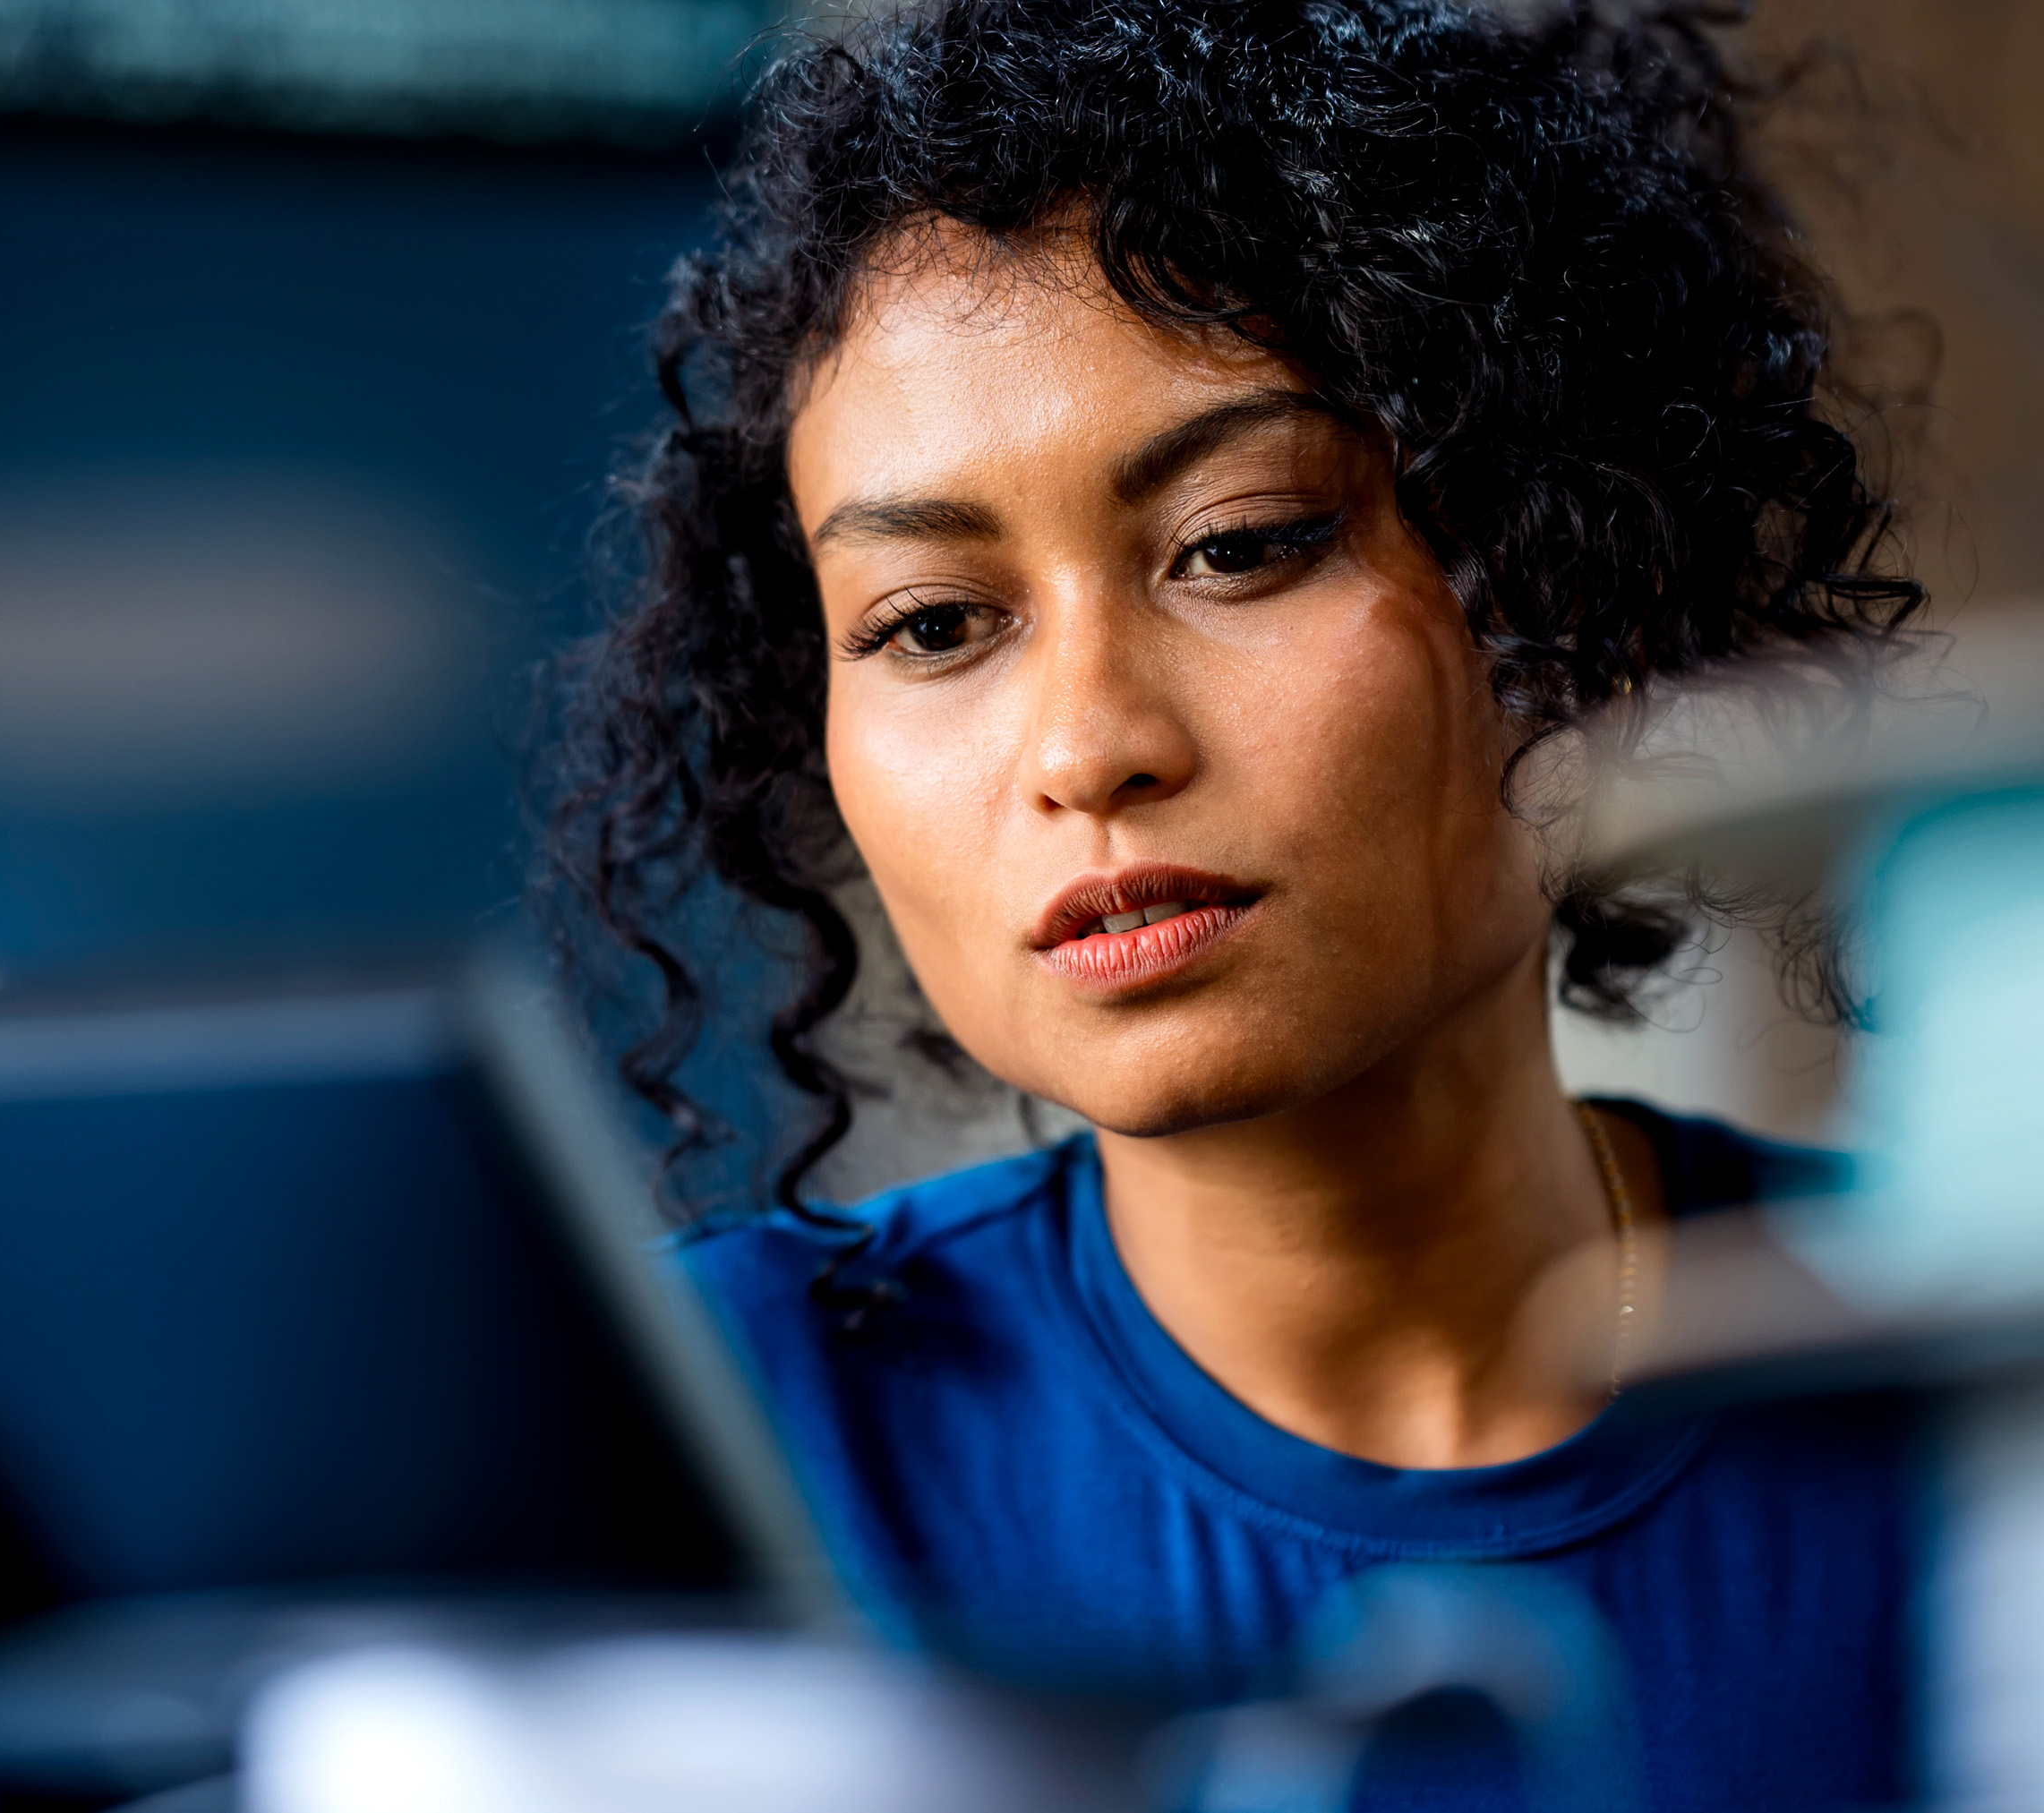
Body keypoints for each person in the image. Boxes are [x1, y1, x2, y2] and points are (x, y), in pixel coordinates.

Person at [546, 2, 1925, 1806]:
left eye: (1240, 543)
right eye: (934, 623)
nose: (1088, 746)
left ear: (1570, 577)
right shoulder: (657, 1440)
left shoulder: (1960, 1387)